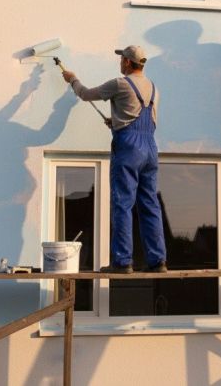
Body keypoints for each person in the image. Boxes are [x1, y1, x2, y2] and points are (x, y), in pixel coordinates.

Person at [61, 45, 167, 273]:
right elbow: (146, 118)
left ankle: (123, 261)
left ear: (128, 62)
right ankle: (158, 261)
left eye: (121, 59)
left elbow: (86, 94)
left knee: (123, 203)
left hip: (129, 147)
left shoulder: (120, 83)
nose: (119, 63)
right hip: (150, 147)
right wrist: (117, 121)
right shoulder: (154, 88)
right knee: (150, 204)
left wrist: (72, 80)